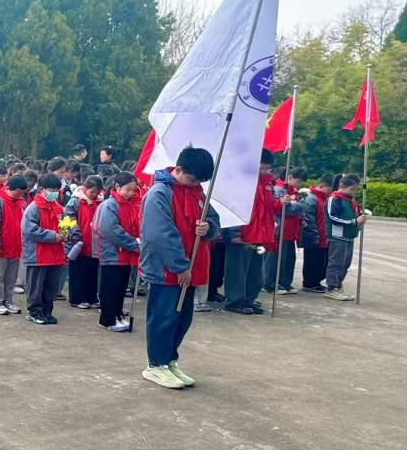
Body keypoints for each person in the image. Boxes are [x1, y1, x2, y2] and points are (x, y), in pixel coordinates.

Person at [140, 146, 219, 390]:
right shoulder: (160, 193)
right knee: (164, 317)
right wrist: (179, 266)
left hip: (190, 268)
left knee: (182, 318)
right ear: (179, 169)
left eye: (200, 181)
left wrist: (208, 228)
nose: (196, 183)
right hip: (167, 270)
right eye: (193, 178)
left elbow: (214, 220)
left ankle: (170, 359)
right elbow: (160, 234)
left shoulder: (197, 193)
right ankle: (156, 364)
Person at [225, 150, 285, 315]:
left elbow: (268, 208)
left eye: (267, 168)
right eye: (262, 168)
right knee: (238, 271)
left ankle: (249, 299)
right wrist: (234, 232)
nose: (265, 171)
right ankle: (234, 301)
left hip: (261, 234)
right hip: (243, 235)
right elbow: (234, 208)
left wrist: (280, 203)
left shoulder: (267, 184)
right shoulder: (241, 182)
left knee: (256, 272)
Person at [94, 172, 141, 332]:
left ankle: (117, 314)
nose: (131, 193)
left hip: (125, 254)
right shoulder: (109, 205)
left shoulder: (129, 205)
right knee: (110, 287)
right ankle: (107, 319)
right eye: (128, 189)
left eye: (133, 190)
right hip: (112, 253)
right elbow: (111, 230)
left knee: (120, 287)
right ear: (117, 187)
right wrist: (133, 244)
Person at [22, 174, 69, 325]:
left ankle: (47, 311)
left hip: (55, 255)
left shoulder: (59, 208)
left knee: (51, 286)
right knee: (36, 286)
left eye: (57, 189)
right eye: (51, 189)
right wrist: (53, 236)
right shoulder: (33, 208)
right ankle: (35, 312)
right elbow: (29, 230)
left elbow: (66, 225)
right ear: (42, 189)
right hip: (38, 255)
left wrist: (67, 233)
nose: (54, 192)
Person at [0, 175, 27, 316]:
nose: (20, 195)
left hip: (15, 247)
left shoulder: (21, 203)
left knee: (11, 277)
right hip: (0, 247)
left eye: (22, 193)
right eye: (18, 192)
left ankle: (7, 300)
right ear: (9, 188)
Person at [324, 174, 366, 302]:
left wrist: (359, 221)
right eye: (351, 189)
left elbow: (356, 214)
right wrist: (354, 221)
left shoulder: (350, 200)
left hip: (348, 236)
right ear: (342, 186)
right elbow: (333, 217)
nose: (353, 191)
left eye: (355, 189)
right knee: (336, 263)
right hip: (338, 236)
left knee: (345, 264)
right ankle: (332, 288)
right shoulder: (334, 199)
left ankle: (338, 285)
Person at [263, 167, 305, 295]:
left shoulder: (293, 192)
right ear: (290, 178)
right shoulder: (279, 190)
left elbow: (293, 207)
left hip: (290, 231)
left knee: (287, 259)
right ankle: (269, 284)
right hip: (279, 229)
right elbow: (286, 209)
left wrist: (295, 205)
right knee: (274, 260)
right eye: (298, 181)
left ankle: (284, 282)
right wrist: (300, 206)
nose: (300, 185)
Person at [66, 175, 104, 309]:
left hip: (94, 243)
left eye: (97, 192)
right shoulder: (75, 201)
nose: (94, 195)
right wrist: (75, 234)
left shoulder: (101, 202)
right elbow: (67, 219)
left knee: (92, 272)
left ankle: (91, 297)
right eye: (92, 192)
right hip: (79, 243)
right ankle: (76, 298)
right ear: (85, 188)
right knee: (78, 272)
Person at [300, 173, 335, 293]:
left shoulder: (325, 200)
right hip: (314, 237)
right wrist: (315, 236)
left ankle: (316, 282)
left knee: (321, 263)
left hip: (324, 237)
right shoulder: (312, 199)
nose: (331, 192)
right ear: (323, 186)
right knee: (312, 262)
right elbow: (308, 220)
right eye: (330, 189)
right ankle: (309, 283)